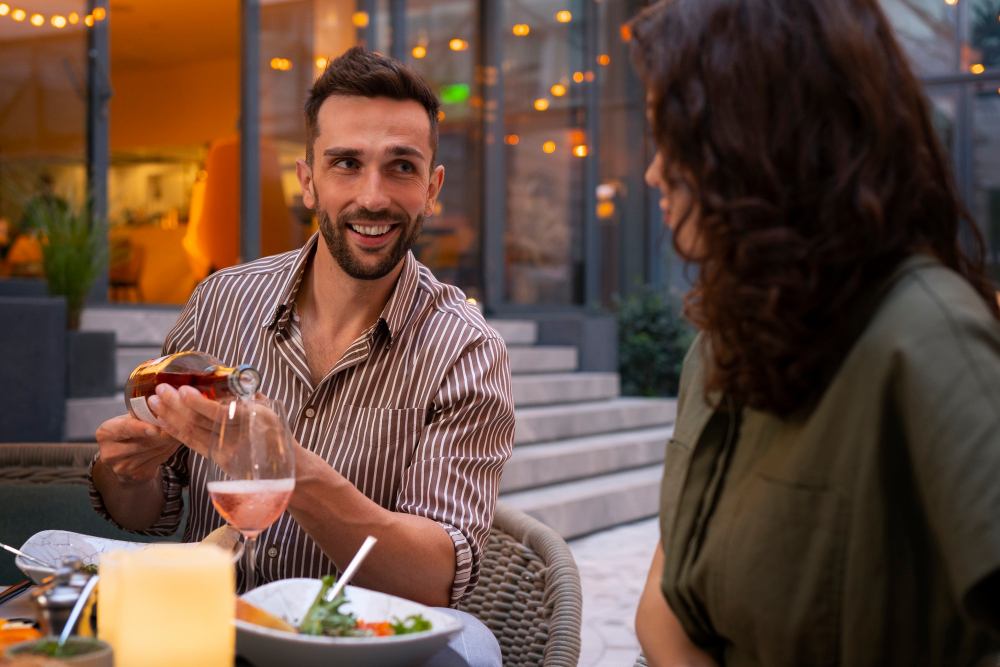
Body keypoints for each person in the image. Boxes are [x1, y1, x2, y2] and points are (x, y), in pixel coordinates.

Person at [88, 47, 514, 667]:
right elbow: (149, 516)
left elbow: (433, 581)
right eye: (346, 163)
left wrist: (290, 470)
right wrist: (130, 471)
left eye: (401, 167)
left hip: (345, 653)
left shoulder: (465, 349)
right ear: (308, 178)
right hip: (194, 638)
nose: (373, 197)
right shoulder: (221, 301)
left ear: (432, 188)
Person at [630, 0, 1000, 665]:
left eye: (669, 135)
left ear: (751, 135)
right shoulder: (721, 336)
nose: (653, 170)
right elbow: (665, 601)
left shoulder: (924, 336)